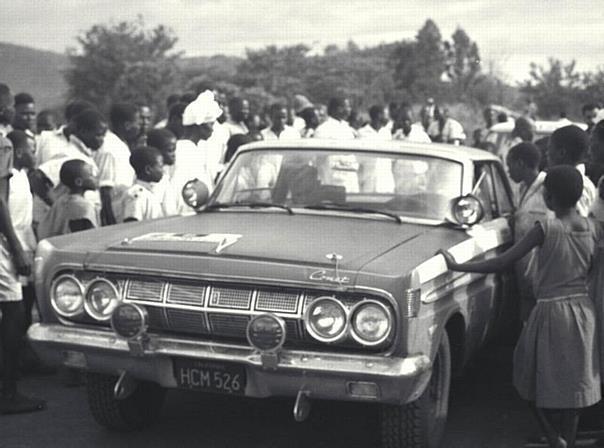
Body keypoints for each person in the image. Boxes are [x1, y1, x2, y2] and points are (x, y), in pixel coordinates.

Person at [441, 165, 601, 448]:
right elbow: (592, 271)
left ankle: (554, 438)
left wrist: (457, 265)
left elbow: (502, 262)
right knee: (575, 382)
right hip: (583, 311)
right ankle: (567, 439)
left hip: (551, 311)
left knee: (525, 374)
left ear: (549, 198)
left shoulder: (547, 228)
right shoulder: (593, 228)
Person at [0, 134, 45, 414]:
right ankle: (8, 392)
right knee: (14, 314)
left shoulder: (20, 175)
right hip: (3, 247)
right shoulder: (2, 144)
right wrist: (17, 249)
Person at [6, 131, 37, 328]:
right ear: (18, 152)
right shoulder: (7, 179)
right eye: (31, 150)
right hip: (10, 247)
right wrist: (17, 250)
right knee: (13, 306)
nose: (35, 154)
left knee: (28, 299)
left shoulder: (23, 175)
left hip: (25, 245)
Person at [173, 90, 222, 207]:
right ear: (200, 126)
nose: (212, 129)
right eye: (211, 124)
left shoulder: (200, 148)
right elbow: (180, 189)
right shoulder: (182, 151)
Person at [94, 103, 139, 224]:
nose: (139, 127)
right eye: (137, 123)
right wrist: (110, 222)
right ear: (127, 125)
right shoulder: (110, 148)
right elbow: (105, 189)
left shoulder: (120, 144)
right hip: (114, 213)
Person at [37, 159, 99, 239]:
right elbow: (83, 239)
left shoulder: (61, 200)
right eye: (91, 175)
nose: (95, 178)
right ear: (79, 182)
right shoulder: (82, 207)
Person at [548, 125, 596, 217]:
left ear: (561, 153)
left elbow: (578, 224)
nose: (547, 154)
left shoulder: (576, 185)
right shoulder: (560, 180)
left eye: (549, 148)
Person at [122, 147, 165, 222]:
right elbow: (131, 225)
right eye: (160, 167)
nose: (163, 171)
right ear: (148, 170)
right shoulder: (137, 195)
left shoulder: (150, 192)